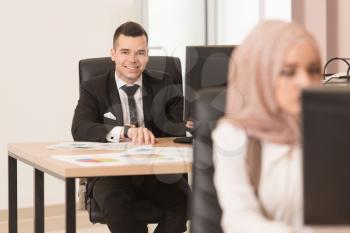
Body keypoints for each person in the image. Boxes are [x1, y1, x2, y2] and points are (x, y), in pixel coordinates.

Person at [72, 21, 189, 233]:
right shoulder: (93, 87)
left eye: (140, 52)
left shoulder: (165, 83)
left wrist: (191, 123)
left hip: (157, 171)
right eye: (125, 52)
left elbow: (178, 126)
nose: (133, 60)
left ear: (147, 55)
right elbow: (80, 128)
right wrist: (125, 131)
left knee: (184, 201)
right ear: (113, 54)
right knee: (117, 205)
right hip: (110, 173)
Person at [212, 20, 322, 233]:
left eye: (314, 70)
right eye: (289, 72)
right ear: (261, 75)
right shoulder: (235, 136)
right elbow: (239, 220)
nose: (306, 83)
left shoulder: (332, 129)